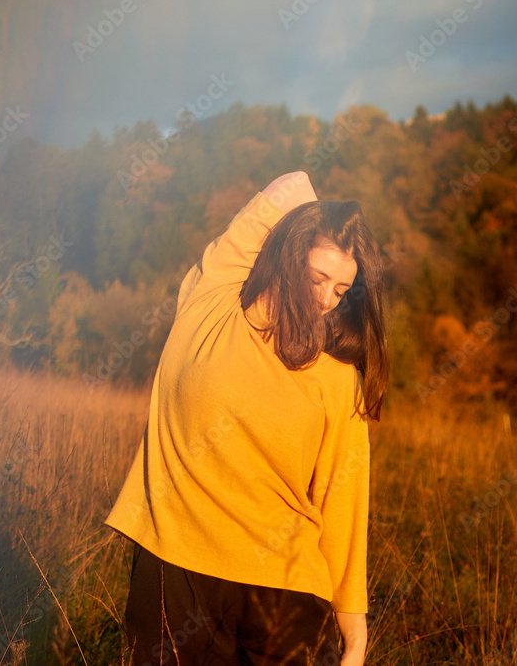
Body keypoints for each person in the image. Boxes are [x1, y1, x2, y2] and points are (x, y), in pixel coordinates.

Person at [104, 171, 388, 666]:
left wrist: (355, 633)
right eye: (317, 277)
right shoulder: (209, 308)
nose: (325, 299)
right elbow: (288, 188)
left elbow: (344, 497)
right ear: (286, 257)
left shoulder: (337, 375)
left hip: (285, 590)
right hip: (176, 567)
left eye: (341, 289)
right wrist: (325, 219)